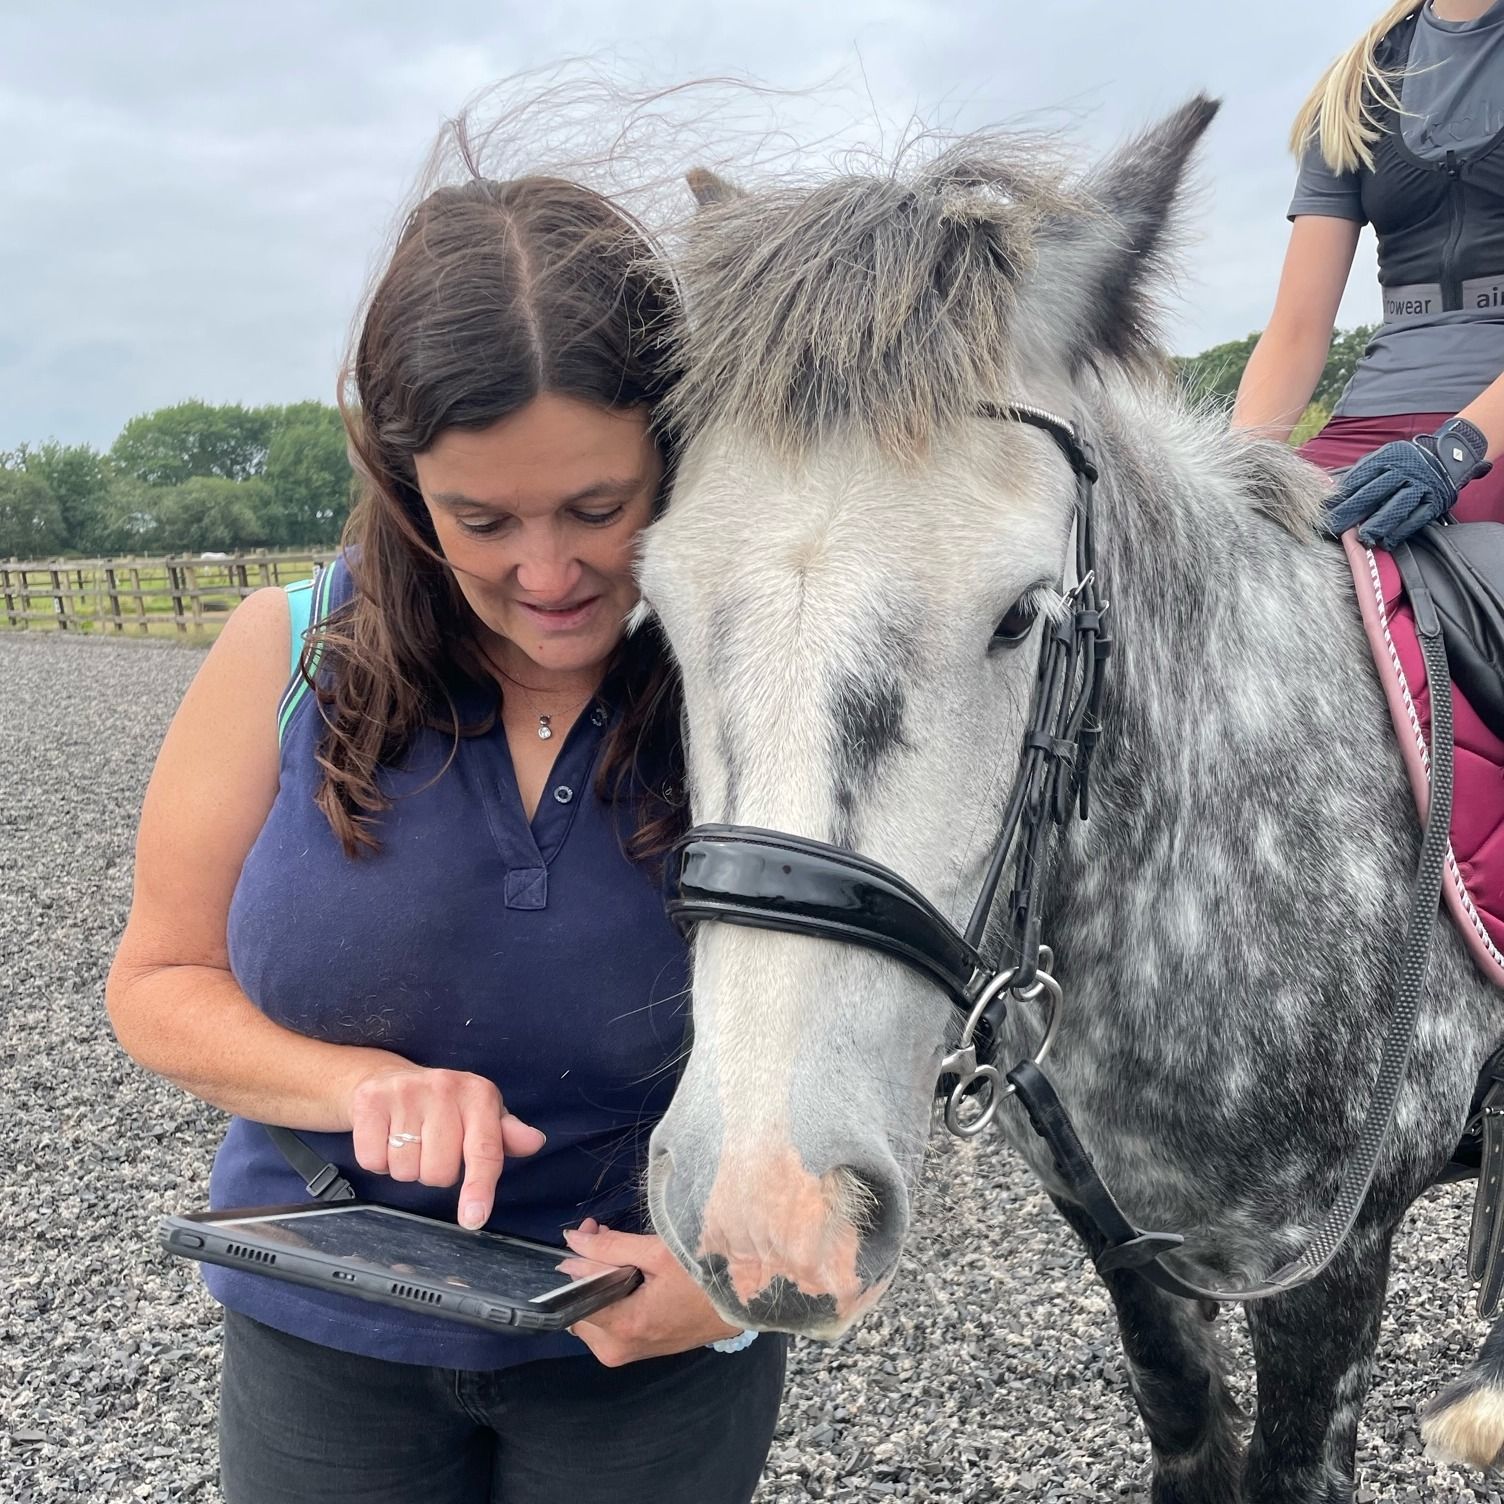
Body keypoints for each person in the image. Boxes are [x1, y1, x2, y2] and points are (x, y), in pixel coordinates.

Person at [104, 160, 786, 1503]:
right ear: (405, 484)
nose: (547, 573)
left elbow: (897, 1022)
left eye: (601, 508)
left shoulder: (766, 683)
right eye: (483, 521)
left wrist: (747, 1282)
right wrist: (359, 1090)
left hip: (651, 1356)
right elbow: (159, 983)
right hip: (322, 1331)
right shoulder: (284, 653)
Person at [1233, 0, 1504, 547]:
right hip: (1372, 424)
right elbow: (1297, 330)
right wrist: (1233, 476)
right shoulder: (1358, 84)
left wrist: (1457, 448)